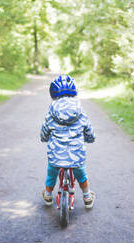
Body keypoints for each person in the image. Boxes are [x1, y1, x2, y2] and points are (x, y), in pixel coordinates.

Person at [40, 74, 96, 208]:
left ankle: (48, 195)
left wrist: (44, 138)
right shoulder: (80, 111)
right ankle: (87, 197)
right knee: (81, 175)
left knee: (52, 172)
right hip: (76, 154)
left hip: (56, 154)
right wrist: (90, 138)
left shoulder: (51, 112)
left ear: (53, 94)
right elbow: (88, 128)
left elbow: (45, 129)